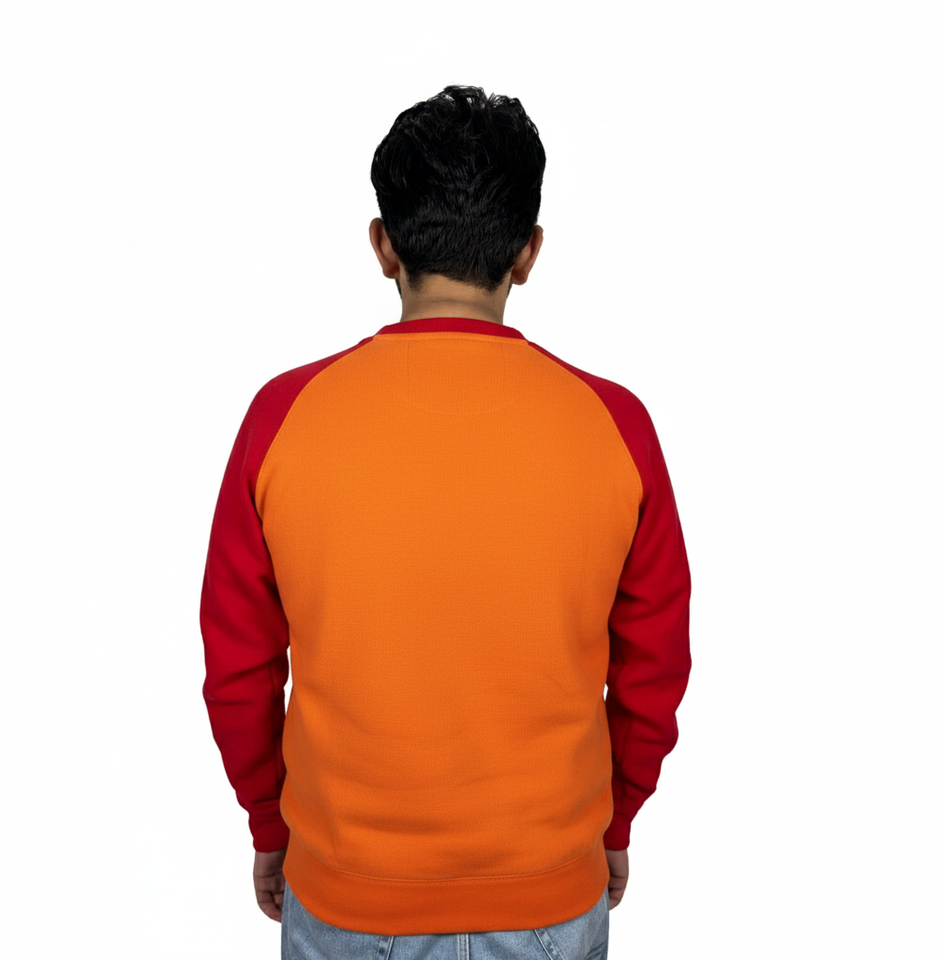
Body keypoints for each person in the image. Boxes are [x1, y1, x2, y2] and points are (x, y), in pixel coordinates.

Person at [200, 84, 691, 960]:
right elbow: (655, 663)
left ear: (383, 245)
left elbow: (239, 666)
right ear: (528, 252)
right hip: (549, 891)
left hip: (346, 893)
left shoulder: (283, 418)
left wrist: (270, 822)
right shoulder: (615, 426)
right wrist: (615, 819)